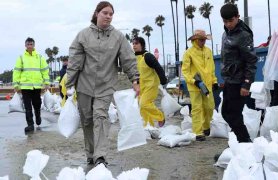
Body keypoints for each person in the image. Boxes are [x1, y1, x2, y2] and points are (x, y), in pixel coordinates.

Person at [65, 1, 140, 167]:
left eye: (111, 14)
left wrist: (135, 80)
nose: (108, 16)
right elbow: (75, 61)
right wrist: (69, 84)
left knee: (101, 117)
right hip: (84, 86)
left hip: (106, 85)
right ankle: (91, 153)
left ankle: (100, 156)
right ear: (97, 13)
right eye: (105, 13)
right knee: (87, 120)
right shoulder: (83, 35)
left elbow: (128, 59)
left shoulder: (118, 37)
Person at [220, 4, 257, 143]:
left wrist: (246, 84)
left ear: (238, 17)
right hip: (229, 80)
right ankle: (239, 141)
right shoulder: (226, 33)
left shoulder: (243, 35)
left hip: (239, 82)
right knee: (226, 113)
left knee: (233, 114)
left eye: (231, 20)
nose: (228, 24)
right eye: (225, 21)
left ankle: (245, 142)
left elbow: (251, 61)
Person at [181, 29, 218, 141]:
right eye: (201, 40)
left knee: (210, 107)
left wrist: (214, 81)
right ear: (195, 40)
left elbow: (211, 68)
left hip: (207, 85)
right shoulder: (189, 53)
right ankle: (198, 132)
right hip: (194, 86)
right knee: (197, 109)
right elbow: (185, 71)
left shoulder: (208, 51)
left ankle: (206, 127)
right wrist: (194, 81)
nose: (203, 42)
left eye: (204, 40)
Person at [12, 37, 50, 133]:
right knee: (27, 107)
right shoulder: (21, 57)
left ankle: (38, 116)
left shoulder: (40, 57)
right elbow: (17, 72)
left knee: (37, 105)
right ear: (25, 45)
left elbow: (45, 70)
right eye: (28, 44)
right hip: (25, 87)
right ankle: (30, 125)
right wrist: (16, 85)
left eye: (31, 44)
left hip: (37, 87)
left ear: (34, 45)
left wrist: (46, 83)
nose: (29, 46)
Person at [132, 37, 167, 127]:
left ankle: (160, 116)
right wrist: (136, 85)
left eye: (136, 43)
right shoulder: (136, 57)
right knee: (142, 108)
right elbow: (136, 73)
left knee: (143, 104)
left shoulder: (148, 56)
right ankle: (148, 126)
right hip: (142, 86)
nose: (134, 45)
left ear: (142, 45)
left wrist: (163, 80)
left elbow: (158, 68)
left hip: (151, 85)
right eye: (133, 44)